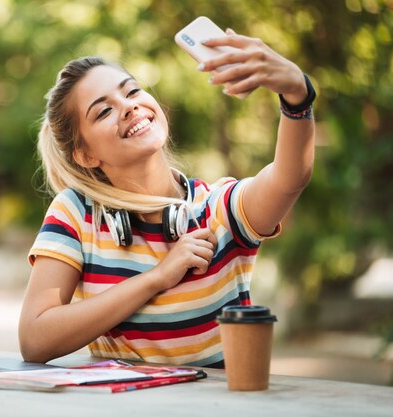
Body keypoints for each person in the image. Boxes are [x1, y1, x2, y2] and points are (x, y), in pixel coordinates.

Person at [19, 28, 316, 368]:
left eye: (131, 91)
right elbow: (34, 340)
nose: (129, 106)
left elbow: (289, 178)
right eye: (103, 111)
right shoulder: (76, 213)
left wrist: (297, 95)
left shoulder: (217, 208)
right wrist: (158, 277)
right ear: (84, 154)